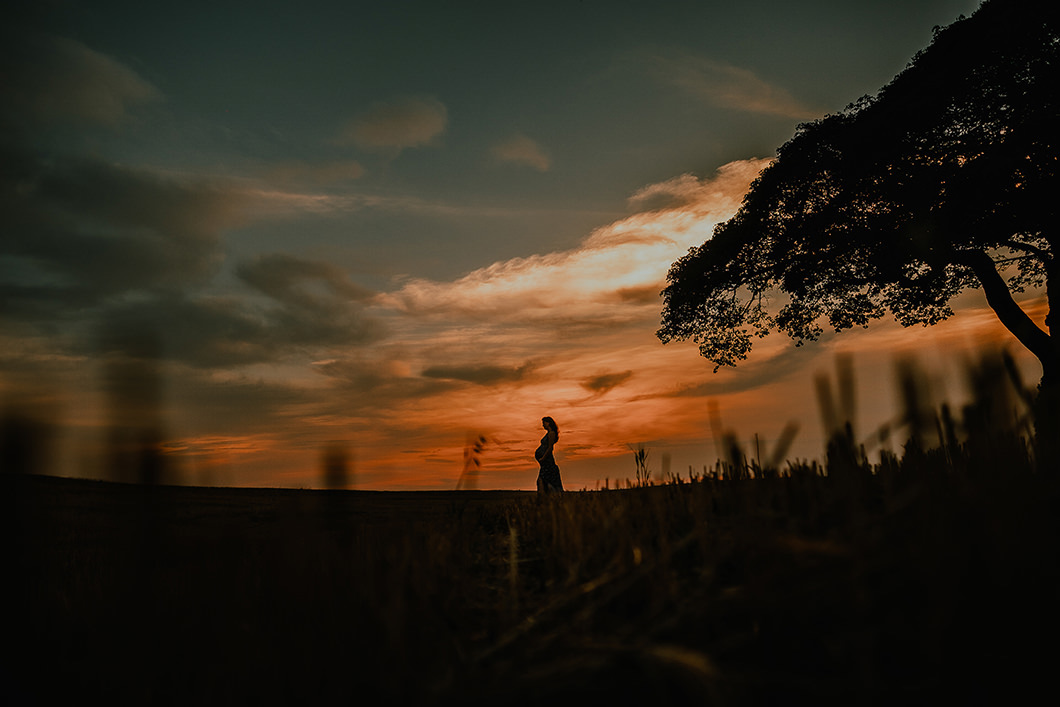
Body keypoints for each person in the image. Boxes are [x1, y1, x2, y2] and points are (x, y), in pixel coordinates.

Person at [535, 416, 563, 492]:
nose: (543, 425)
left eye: (544, 423)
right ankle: (543, 499)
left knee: (542, 480)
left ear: (548, 423)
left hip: (547, 461)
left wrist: (543, 458)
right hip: (545, 462)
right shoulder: (548, 433)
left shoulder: (551, 433)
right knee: (542, 481)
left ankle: (543, 499)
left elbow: (550, 448)